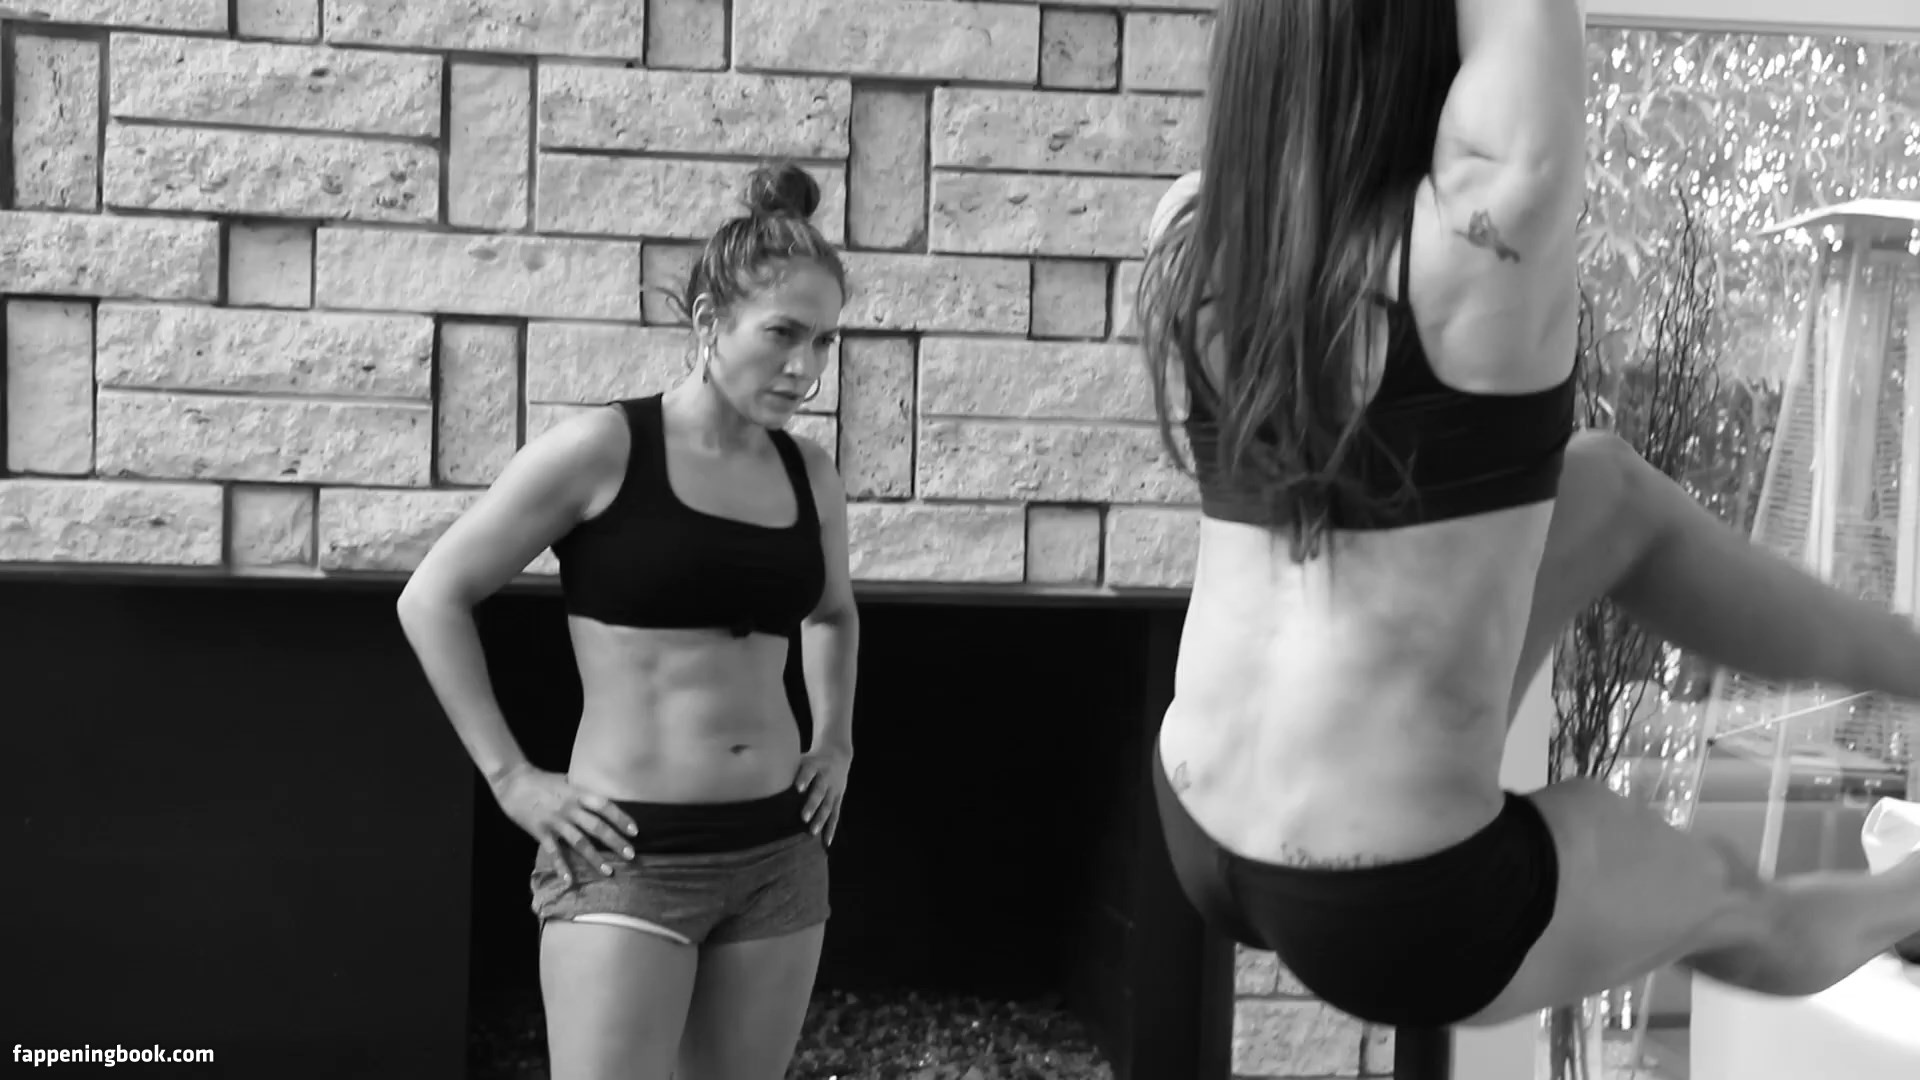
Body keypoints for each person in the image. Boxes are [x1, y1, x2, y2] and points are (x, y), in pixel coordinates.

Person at [1135, 0, 1920, 1030]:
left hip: (1196, 808)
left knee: (1604, 487)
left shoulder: (1198, 234)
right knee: (1736, 900)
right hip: (1396, 895)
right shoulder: (1481, 230)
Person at [395, 162, 858, 1079]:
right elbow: (432, 596)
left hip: (779, 854)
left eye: (825, 342)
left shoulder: (809, 474)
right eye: (783, 334)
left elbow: (833, 615)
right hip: (629, 855)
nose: (806, 369)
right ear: (708, 323)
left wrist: (836, 741)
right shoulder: (604, 450)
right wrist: (511, 778)